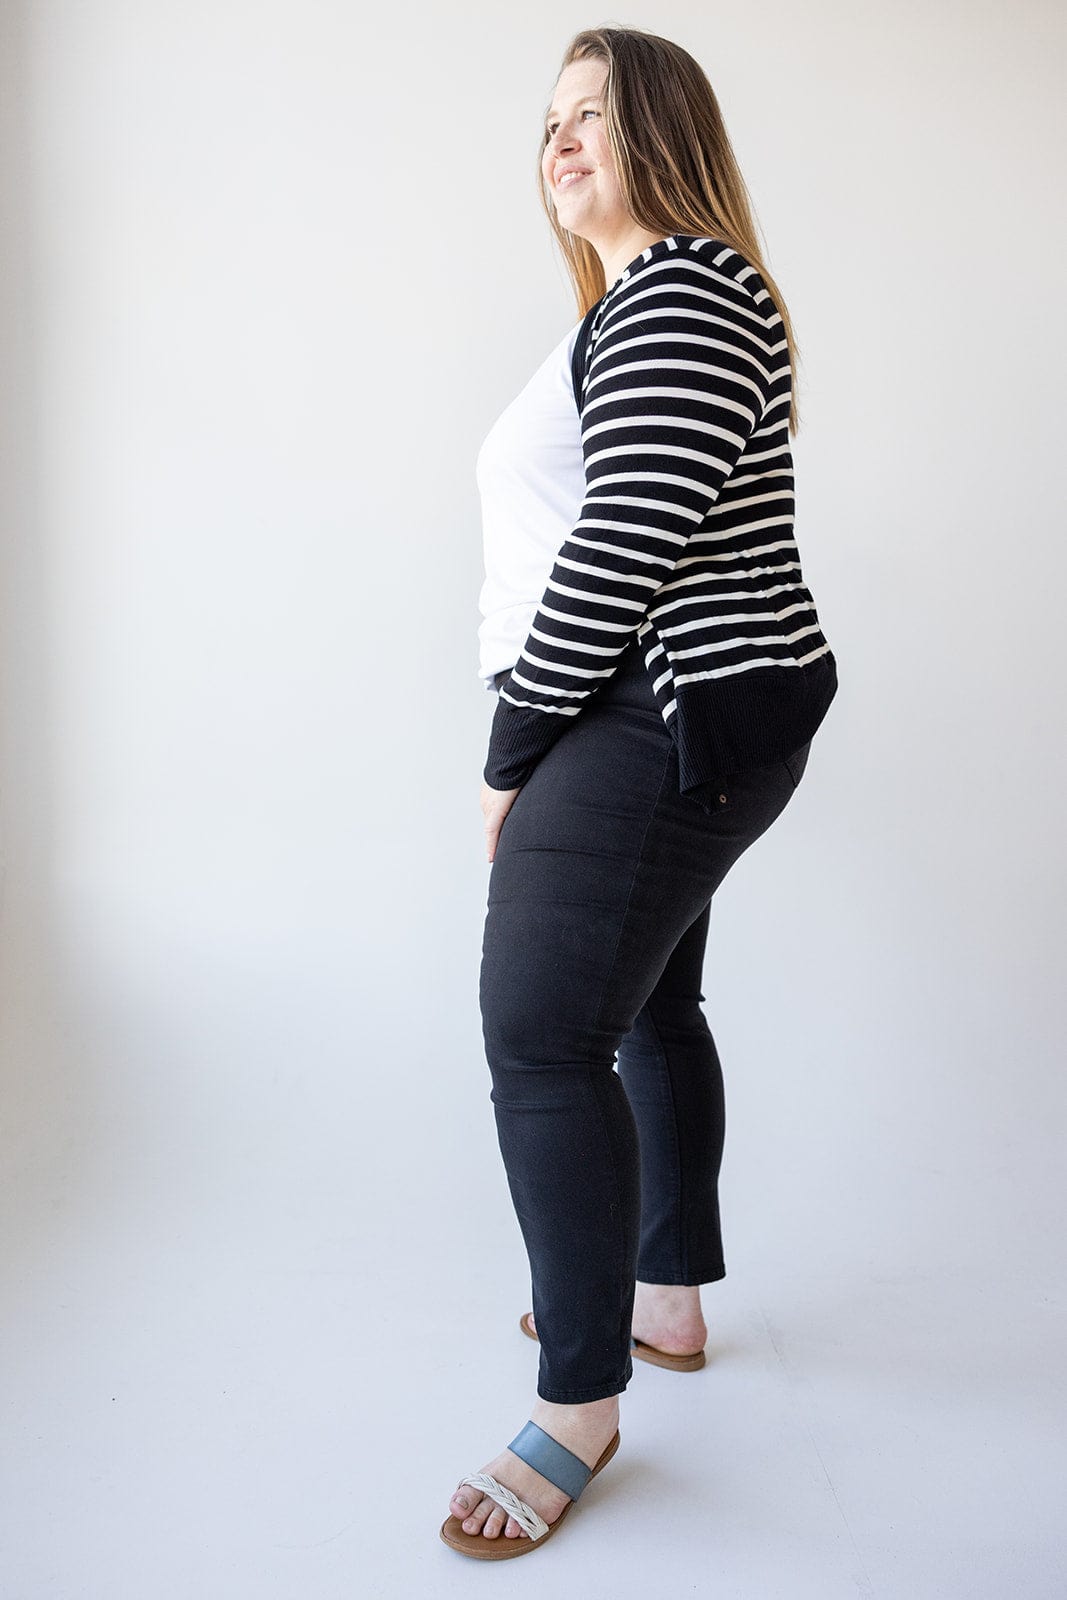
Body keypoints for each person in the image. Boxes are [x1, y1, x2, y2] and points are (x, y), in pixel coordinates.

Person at [440, 24, 839, 1561]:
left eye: (594, 114)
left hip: (642, 715)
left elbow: (620, 561)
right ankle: (662, 1296)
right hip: (637, 708)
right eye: (548, 118)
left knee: (543, 1036)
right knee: (653, 1010)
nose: (561, 140)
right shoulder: (628, 305)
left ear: (664, 132)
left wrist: (510, 758)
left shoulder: (687, 288)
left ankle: (581, 1405)